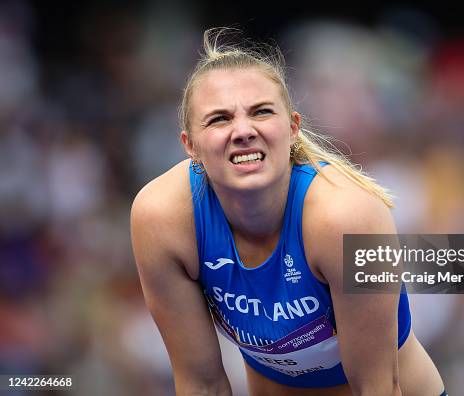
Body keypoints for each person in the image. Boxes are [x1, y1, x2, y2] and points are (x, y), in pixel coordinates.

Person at [131, 28, 446, 396]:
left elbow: (377, 387)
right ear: (190, 145)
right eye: (219, 119)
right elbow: (202, 384)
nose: (243, 131)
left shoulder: (345, 218)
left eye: (261, 112)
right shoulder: (162, 220)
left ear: (293, 127)